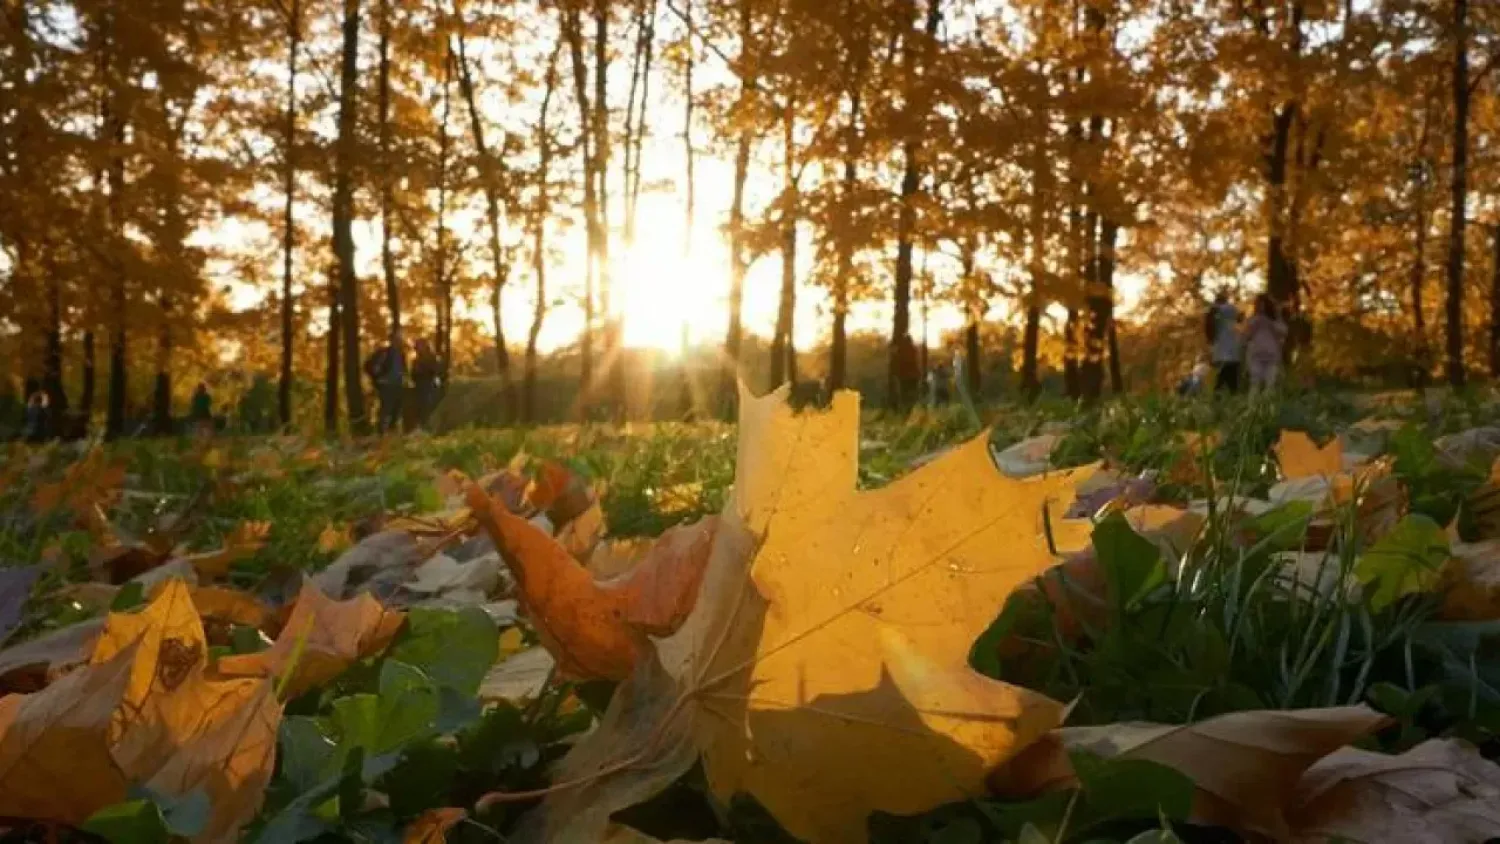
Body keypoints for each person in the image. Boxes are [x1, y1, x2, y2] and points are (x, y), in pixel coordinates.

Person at [1244, 294, 1289, 391]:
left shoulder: (1275, 320)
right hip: (1256, 355)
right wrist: (1254, 325)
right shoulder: (1253, 319)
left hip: (1272, 356)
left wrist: (1271, 324)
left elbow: (1284, 332)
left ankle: (1267, 405)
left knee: (1270, 384)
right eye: (1259, 304)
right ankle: (1253, 405)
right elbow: (1247, 336)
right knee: (1255, 383)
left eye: (1263, 304)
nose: (1261, 307)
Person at [364, 335, 406, 434]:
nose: (399, 342)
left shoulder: (401, 354)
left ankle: (391, 431)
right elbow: (368, 365)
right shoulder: (384, 352)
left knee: (397, 409)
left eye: (399, 340)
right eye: (396, 340)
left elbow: (403, 369)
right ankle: (380, 432)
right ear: (391, 341)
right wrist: (377, 378)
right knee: (385, 409)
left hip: (398, 385)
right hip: (386, 385)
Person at [1207, 290, 1243, 393]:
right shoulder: (1230, 310)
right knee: (1231, 379)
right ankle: (1231, 395)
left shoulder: (1217, 310)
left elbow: (1209, 327)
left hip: (1223, 352)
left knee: (1223, 378)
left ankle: (1219, 396)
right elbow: (1240, 317)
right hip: (1232, 352)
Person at [411, 339, 441, 429]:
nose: (418, 349)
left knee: (428, 407)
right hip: (419, 387)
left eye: (420, 346)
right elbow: (413, 374)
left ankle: (428, 426)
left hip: (429, 385)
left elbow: (435, 371)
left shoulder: (432, 358)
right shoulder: (416, 360)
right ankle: (421, 426)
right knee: (420, 407)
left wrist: (422, 371)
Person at [892, 333, 921, 410]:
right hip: (912, 375)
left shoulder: (901, 350)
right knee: (911, 392)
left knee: (904, 392)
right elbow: (916, 361)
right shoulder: (914, 349)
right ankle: (909, 407)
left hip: (904, 375)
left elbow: (897, 361)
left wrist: (896, 372)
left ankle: (906, 407)